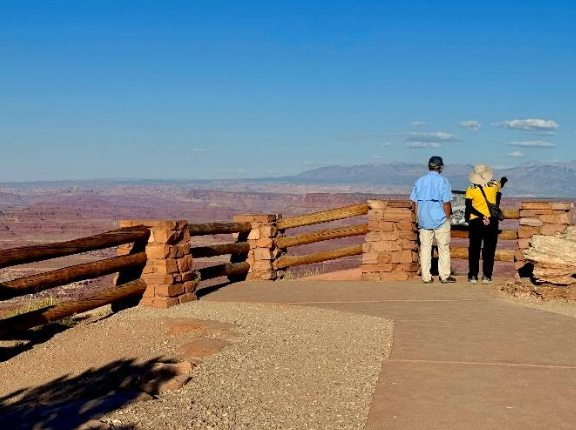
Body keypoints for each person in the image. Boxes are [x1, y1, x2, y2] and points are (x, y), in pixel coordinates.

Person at [410, 156, 456, 284]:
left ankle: (426, 276)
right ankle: (445, 276)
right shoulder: (443, 181)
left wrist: (417, 216)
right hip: (440, 219)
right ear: (441, 167)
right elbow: (446, 202)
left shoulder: (419, 181)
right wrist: (448, 218)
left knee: (425, 248)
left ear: (428, 166)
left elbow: (414, 202)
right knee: (444, 248)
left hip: (424, 220)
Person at [464, 164, 508, 284]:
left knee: (474, 249)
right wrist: (503, 181)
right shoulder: (493, 185)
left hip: (475, 221)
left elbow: (468, 206)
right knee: (489, 249)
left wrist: (480, 216)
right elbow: (500, 185)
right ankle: (487, 276)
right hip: (491, 221)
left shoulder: (471, 189)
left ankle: (473, 275)